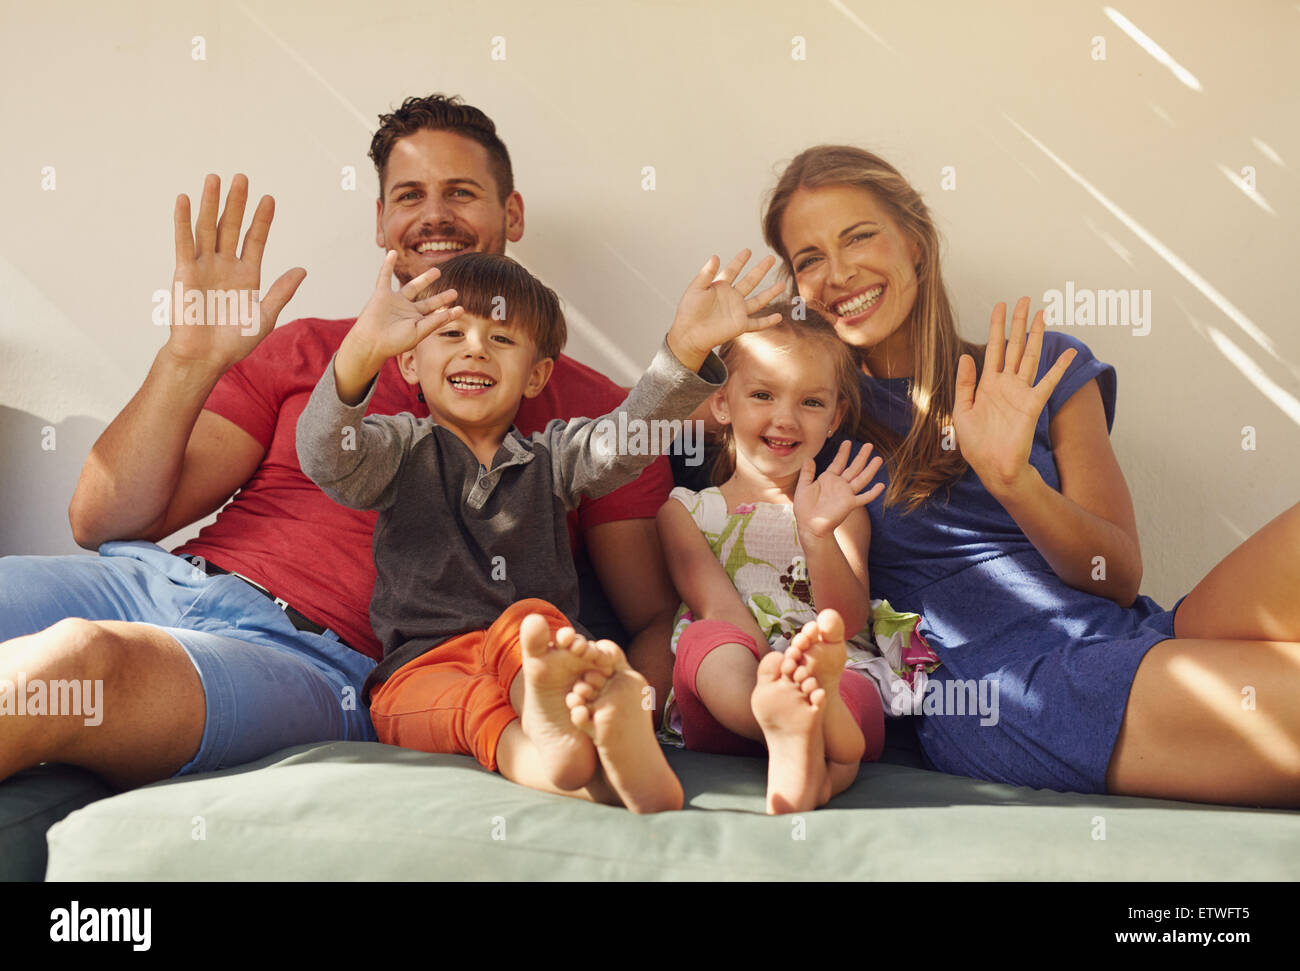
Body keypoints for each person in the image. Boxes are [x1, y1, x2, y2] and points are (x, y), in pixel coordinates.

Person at [0, 93, 679, 791]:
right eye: (409, 195)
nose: (433, 214)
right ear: (383, 222)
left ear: (512, 214)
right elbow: (100, 521)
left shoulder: (591, 410)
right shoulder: (313, 348)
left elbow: (653, 614)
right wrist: (189, 361)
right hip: (151, 580)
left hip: (307, 660)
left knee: (77, 662)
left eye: (461, 193)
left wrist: (630, 722)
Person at [761, 143, 1300, 807]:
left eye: (859, 236)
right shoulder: (812, 416)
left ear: (916, 241)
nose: (837, 272)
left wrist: (1017, 482)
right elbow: (687, 420)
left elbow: (1117, 574)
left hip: (1133, 632)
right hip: (1007, 687)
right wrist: (695, 348)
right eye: (808, 259)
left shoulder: (1040, 367)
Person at [296, 248, 784, 812]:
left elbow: (626, 441)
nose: (476, 347)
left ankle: (579, 717)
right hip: (423, 667)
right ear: (408, 363)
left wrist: (686, 349)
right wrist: (359, 352)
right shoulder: (396, 449)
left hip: (533, 650)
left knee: (530, 628)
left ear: (537, 376)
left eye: (501, 339)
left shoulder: (552, 456)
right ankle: (563, 766)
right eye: (451, 333)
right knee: (462, 707)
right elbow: (325, 456)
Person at [657, 311, 902, 814]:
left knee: (845, 677)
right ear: (722, 403)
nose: (786, 419)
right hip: (732, 701)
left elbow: (848, 621)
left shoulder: (841, 513)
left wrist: (817, 536)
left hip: (826, 672)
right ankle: (798, 730)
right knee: (707, 640)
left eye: (811, 402)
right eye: (763, 395)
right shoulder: (685, 511)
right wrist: (774, 675)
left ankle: (811, 757)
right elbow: (719, 608)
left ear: (834, 418)